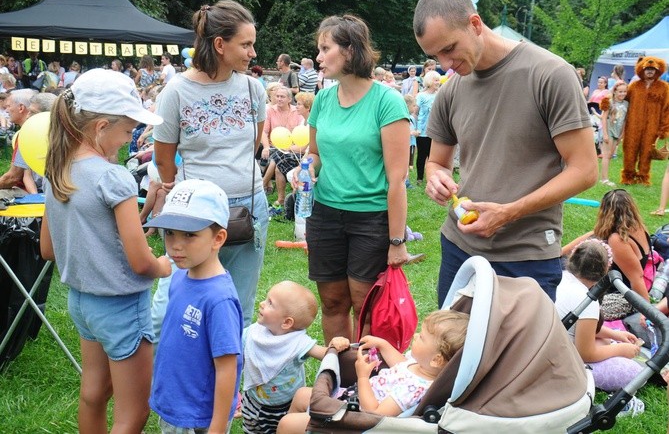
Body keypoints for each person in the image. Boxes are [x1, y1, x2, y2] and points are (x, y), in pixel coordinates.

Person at [413, 0, 597, 305]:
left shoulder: (550, 75)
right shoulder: (450, 92)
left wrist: (508, 213)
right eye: (435, 56)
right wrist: (435, 177)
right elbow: (437, 162)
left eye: (449, 49)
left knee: (518, 355)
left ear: (474, 23)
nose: (445, 65)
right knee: (453, 352)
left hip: (526, 255)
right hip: (459, 247)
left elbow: (584, 170)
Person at [39, 69, 172, 433]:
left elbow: (48, 249)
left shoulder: (57, 171)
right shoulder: (113, 177)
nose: (131, 139)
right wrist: (166, 265)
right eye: (128, 131)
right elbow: (141, 261)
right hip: (122, 305)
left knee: (93, 394)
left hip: (82, 303)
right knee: (133, 415)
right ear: (100, 127)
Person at [152, 0, 268, 332]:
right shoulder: (176, 90)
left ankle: (229, 383)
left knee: (239, 308)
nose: (253, 53)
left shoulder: (252, 87)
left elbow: (253, 143)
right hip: (194, 216)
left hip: (248, 208)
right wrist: (180, 196)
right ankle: (171, 379)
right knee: (171, 308)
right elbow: (163, 157)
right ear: (220, 45)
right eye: (246, 44)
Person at [298, 14, 410, 344]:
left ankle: (365, 386)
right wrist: (304, 168)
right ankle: (338, 376)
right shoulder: (322, 99)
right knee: (333, 302)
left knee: (365, 306)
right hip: (325, 216)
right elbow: (315, 154)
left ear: (349, 51)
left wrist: (396, 241)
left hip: (371, 220)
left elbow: (397, 180)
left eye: (324, 48)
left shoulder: (387, 102)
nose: (318, 57)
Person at [147, 179, 242, 434]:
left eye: (189, 235)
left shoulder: (218, 299)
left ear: (218, 238)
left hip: (199, 417)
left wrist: (218, 427)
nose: (176, 245)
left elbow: (227, 368)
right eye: (170, 233)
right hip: (174, 403)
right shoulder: (178, 276)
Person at [276, 309, 470, 433]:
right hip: (350, 400)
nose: (417, 335)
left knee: (287, 424)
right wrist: (383, 345)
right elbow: (401, 364)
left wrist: (362, 377)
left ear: (436, 360)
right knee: (302, 394)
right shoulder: (420, 365)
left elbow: (374, 414)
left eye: (423, 338)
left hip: (352, 420)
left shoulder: (413, 390)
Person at [241, 281, 349, 433]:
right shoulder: (253, 333)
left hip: (287, 407)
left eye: (270, 303)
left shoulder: (298, 343)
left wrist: (336, 346)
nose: (262, 303)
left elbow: (326, 354)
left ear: (286, 322)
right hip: (253, 402)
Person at [555, 239, 643, 391]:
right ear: (605, 271)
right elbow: (586, 354)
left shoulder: (561, 277)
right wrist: (620, 349)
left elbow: (577, 326)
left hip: (551, 346)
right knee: (636, 373)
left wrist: (616, 335)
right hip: (560, 362)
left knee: (605, 341)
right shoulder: (588, 300)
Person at [620, 57, 669, 185]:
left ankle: (643, 177)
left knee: (647, 152)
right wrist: (608, 103)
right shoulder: (634, 86)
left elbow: (666, 108)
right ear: (642, 69)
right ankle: (628, 176)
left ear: (658, 71)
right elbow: (622, 100)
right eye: (647, 69)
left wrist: (664, 128)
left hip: (652, 127)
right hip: (633, 125)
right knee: (630, 150)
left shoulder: (664, 88)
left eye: (652, 69)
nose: (649, 72)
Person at [261, 85, 304, 207]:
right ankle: (278, 197)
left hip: (294, 149)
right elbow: (264, 131)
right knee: (278, 155)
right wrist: (265, 147)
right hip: (273, 146)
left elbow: (301, 133)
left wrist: (291, 147)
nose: (279, 99)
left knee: (278, 165)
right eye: (277, 96)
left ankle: (267, 188)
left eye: (282, 97)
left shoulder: (297, 111)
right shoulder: (270, 110)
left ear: (289, 99)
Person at [599, 81, 628, 187]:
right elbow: (603, 117)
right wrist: (605, 134)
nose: (622, 94)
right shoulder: (610, 102)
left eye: (624, 91)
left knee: (610, 155)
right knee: (606, 155)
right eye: (620, 91)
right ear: (615, 91)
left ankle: (605, 177)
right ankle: (604, 179)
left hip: (617, 132)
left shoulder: (626, 104)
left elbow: (625, 120)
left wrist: (622, 134)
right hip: (609, 131)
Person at [414, 70, 441, 185]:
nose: (438, 82)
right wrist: (416, 128)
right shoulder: (421, 96)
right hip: (422, 132)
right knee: (422, 155)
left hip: (436, 132)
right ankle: (420, 178)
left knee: (434, 158)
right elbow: (415, 113)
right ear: (429, 81)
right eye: (436, 80)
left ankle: (433, 180)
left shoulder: (440, 95)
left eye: (438, 80)